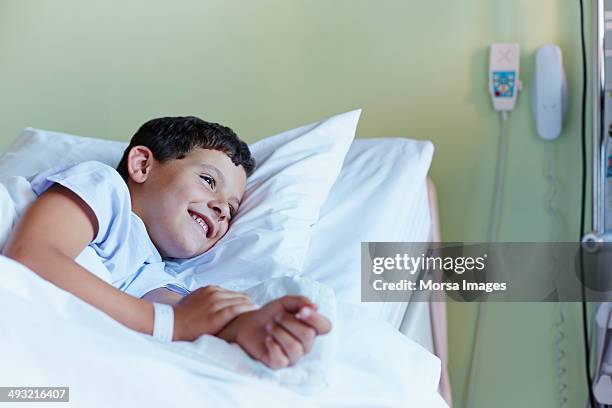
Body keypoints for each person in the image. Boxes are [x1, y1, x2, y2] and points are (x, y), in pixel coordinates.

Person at [2, 116, 331, 369]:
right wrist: (170, 324)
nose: (220, 208)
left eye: (231, 210)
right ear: (142, 165)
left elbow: (190, 320)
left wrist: (251, 327)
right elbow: (32, 255)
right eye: (207, 181)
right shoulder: (104, 188)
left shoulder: (156, 274)